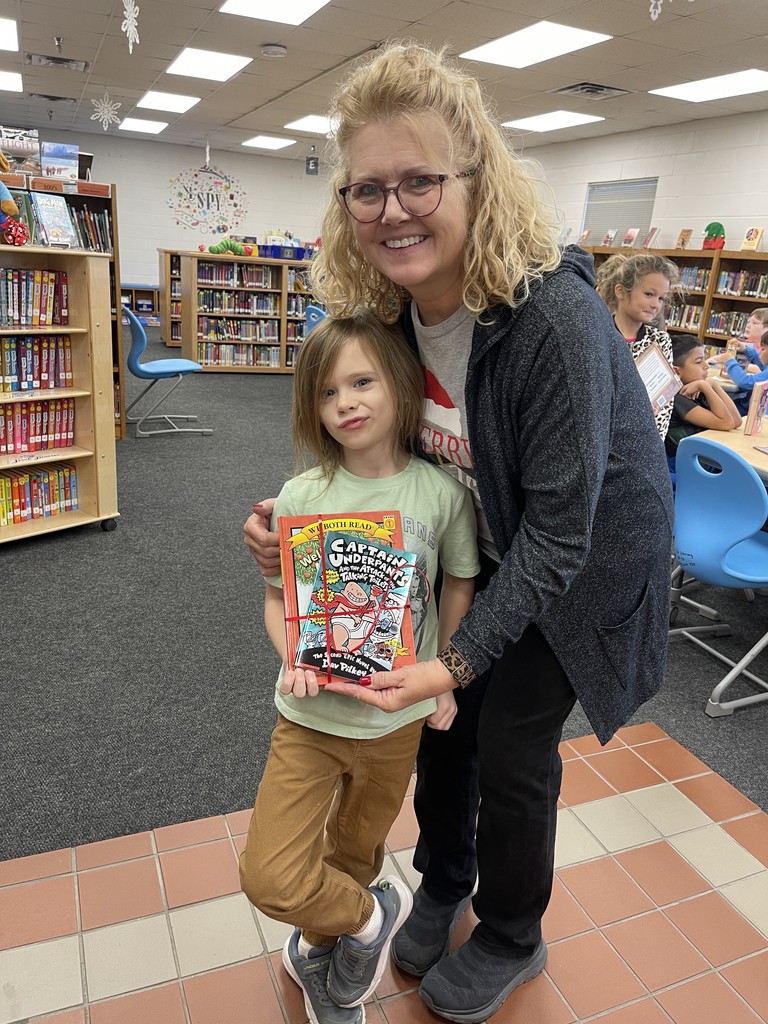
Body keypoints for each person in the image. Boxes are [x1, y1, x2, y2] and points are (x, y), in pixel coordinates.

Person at [244, 42, 673, 1024]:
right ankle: (444, 879)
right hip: (470, 553)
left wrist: (457, 659)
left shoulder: (550, 321)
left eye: (421, 181)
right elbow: (372, 462)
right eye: (368, 189)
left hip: (579, 570)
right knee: (442, 740)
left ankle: (515, 930)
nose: (393, 209)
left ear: (476, 180)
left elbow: (564, 535)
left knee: (514, 746)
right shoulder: (384, 314)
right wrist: (287, 537)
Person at [238, 309, 480, 1024]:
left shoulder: (439, 496)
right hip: (309, 720)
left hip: (395, 722)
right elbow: (278, 603)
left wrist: (448, 673)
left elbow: (458, 585)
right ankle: (370, 923)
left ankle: (325, 958)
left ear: (402, 387)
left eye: (362, 382)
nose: (345, 402)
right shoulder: (302, 499)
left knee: (354, 851)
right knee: (270, 873)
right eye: (326, 392)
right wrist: (295, 659)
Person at [595, 250, 681, 438]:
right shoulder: (598, 334)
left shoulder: (660, 340)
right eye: (649, 294)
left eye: (661, 298)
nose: (655, 305)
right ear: (621, 291)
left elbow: (665, 403)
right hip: (602, 439)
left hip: (643, 441)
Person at [665, 333, 742, 457]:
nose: (706, 366)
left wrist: (713, 385)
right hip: (686, 466)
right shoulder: (676, 399)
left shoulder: (698, 391)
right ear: (676, 371)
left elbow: (737, 421)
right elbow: (727, 423)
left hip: (706, 458)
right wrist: (705, 386)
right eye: (698, 362)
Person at [708, 308, 768, 411]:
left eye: (763, 349)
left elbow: (745, 382)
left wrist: (730, 361)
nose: (760, 352)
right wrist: (746, 350)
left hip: (750, 412)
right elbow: (763, 365)